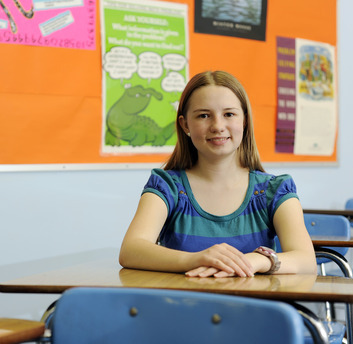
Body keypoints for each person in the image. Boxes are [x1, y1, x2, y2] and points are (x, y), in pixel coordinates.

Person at [119, 70, 317, 278]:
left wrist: (255, 260)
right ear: (185, 124)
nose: (218, 126)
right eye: (204, 115)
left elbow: (306, 261)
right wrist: (197, 258)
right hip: (183, 308)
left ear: (245, 121)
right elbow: (131, 250)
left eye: (229, 114)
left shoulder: (274, 190)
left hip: (252, 309)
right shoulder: (167, 186)